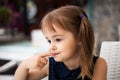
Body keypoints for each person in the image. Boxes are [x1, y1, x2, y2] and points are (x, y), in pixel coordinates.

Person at [14, 5, 107, 80]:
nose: (51, 47)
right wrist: (24, 65)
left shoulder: (98, 64)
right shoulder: (51, 65)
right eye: (49, 41)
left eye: (58, 39)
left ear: (79, 37)